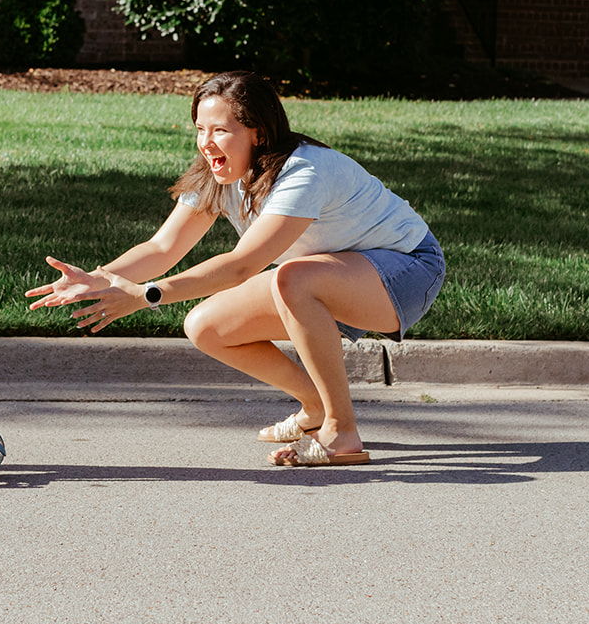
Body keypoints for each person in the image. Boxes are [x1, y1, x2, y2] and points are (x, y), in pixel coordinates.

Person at [27, 70, 444, 466]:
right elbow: (163, 246)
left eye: (220, 130)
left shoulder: (304, 171)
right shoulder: (219, 176)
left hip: (407, 269)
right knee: (206, 326)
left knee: (293, 277)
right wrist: (100, 278)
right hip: (330, 276)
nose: (206, 142)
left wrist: (146, 295)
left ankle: (341, 432)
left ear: (258, 133)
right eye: (200, 129)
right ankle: (315, 406)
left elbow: (242, 265)